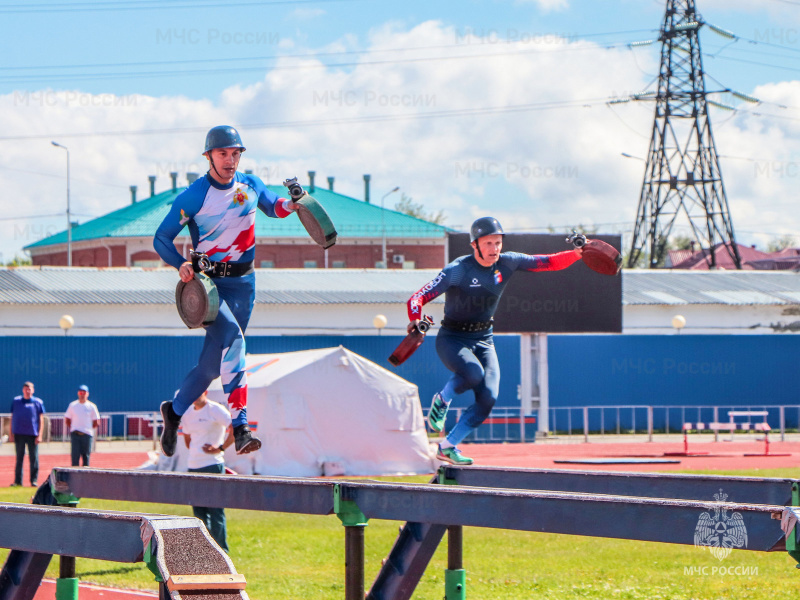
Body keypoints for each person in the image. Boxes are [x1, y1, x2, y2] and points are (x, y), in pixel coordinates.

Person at [153, 125, 298, 457]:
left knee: (210, 368)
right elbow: (161, 238)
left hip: (245, 286)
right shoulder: (193, 196)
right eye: (223, 153)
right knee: (234, 342)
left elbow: (274, 207)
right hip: (210, 288)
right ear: (208, 156)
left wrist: (293, 204)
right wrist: (179, 264)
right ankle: (242, 427)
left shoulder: (251, 184)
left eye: (235, 153)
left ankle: (173, 411)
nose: (230, 160)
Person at [407, 217, 584, 465]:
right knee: (472, 373)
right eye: (488, 243)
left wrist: (577, 254)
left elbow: (548, 262)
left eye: (498, 242)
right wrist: (415, 320)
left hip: (484, 340)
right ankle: (443, 399)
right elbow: (416, 299)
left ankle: (447, 446)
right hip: (453, 339)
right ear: (474, 245)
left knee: (488, 398)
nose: (494, 249)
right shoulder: (457, 270)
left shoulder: (508, 262)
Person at [181, 390, 233, 552]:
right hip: (193, 466)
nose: (194, 394)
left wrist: (220, 448)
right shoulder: (188, 413)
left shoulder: (215, 409)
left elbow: (235, 428)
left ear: (205, 391)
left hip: (213, 465)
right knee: (198, 511)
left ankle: (221, 550)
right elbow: (188, 439)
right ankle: (205, 550)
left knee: (216, 509)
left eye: (198, 391)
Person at [9, 382, 46, 487]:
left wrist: (40, 435)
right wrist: (11, 433)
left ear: (33, 390)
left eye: (29, 389)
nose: (28, 391)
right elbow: (12, 417)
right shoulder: (16, 401)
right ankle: (18, 481)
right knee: (19, 458)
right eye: (26, 389)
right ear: (23, 390)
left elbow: (41, 419)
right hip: (19, 434)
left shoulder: (38, 402)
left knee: (33, 458)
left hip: (32, 434)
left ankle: (33, 481)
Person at [65, 384, 100, 467]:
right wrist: (74, 428)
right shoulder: (72, 405)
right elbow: (67, 419)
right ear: (78, 393)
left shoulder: (91, 406)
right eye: (80, 392)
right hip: (75, 434)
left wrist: (88, 429)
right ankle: (74, 477)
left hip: (87, 435)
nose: (82, 394)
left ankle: (85, 476)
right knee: (75, 456)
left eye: (84, 392)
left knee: (86, 456)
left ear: (87, 394)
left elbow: (96, 421)